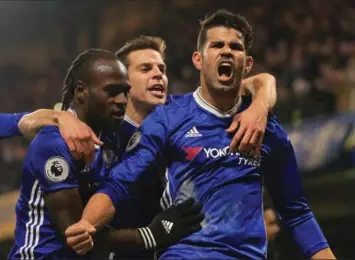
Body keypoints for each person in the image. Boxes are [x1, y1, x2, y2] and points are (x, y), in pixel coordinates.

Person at [66, 10, 336, 259]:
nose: (227, 51)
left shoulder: (267, 129)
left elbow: (297, 212)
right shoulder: (168, 117)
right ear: (198, 59)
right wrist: (87, 223)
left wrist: (261, 104)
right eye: (217, 45)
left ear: (248, 63)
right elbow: (122, 182)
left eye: (236, 47)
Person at [8, 49, 204, 260]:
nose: (121, 100)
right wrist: (152, 235)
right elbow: (78, 237)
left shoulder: (113, 137)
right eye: (111, 92)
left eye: (125, 92)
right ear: (81, 91)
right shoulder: (54, 143)